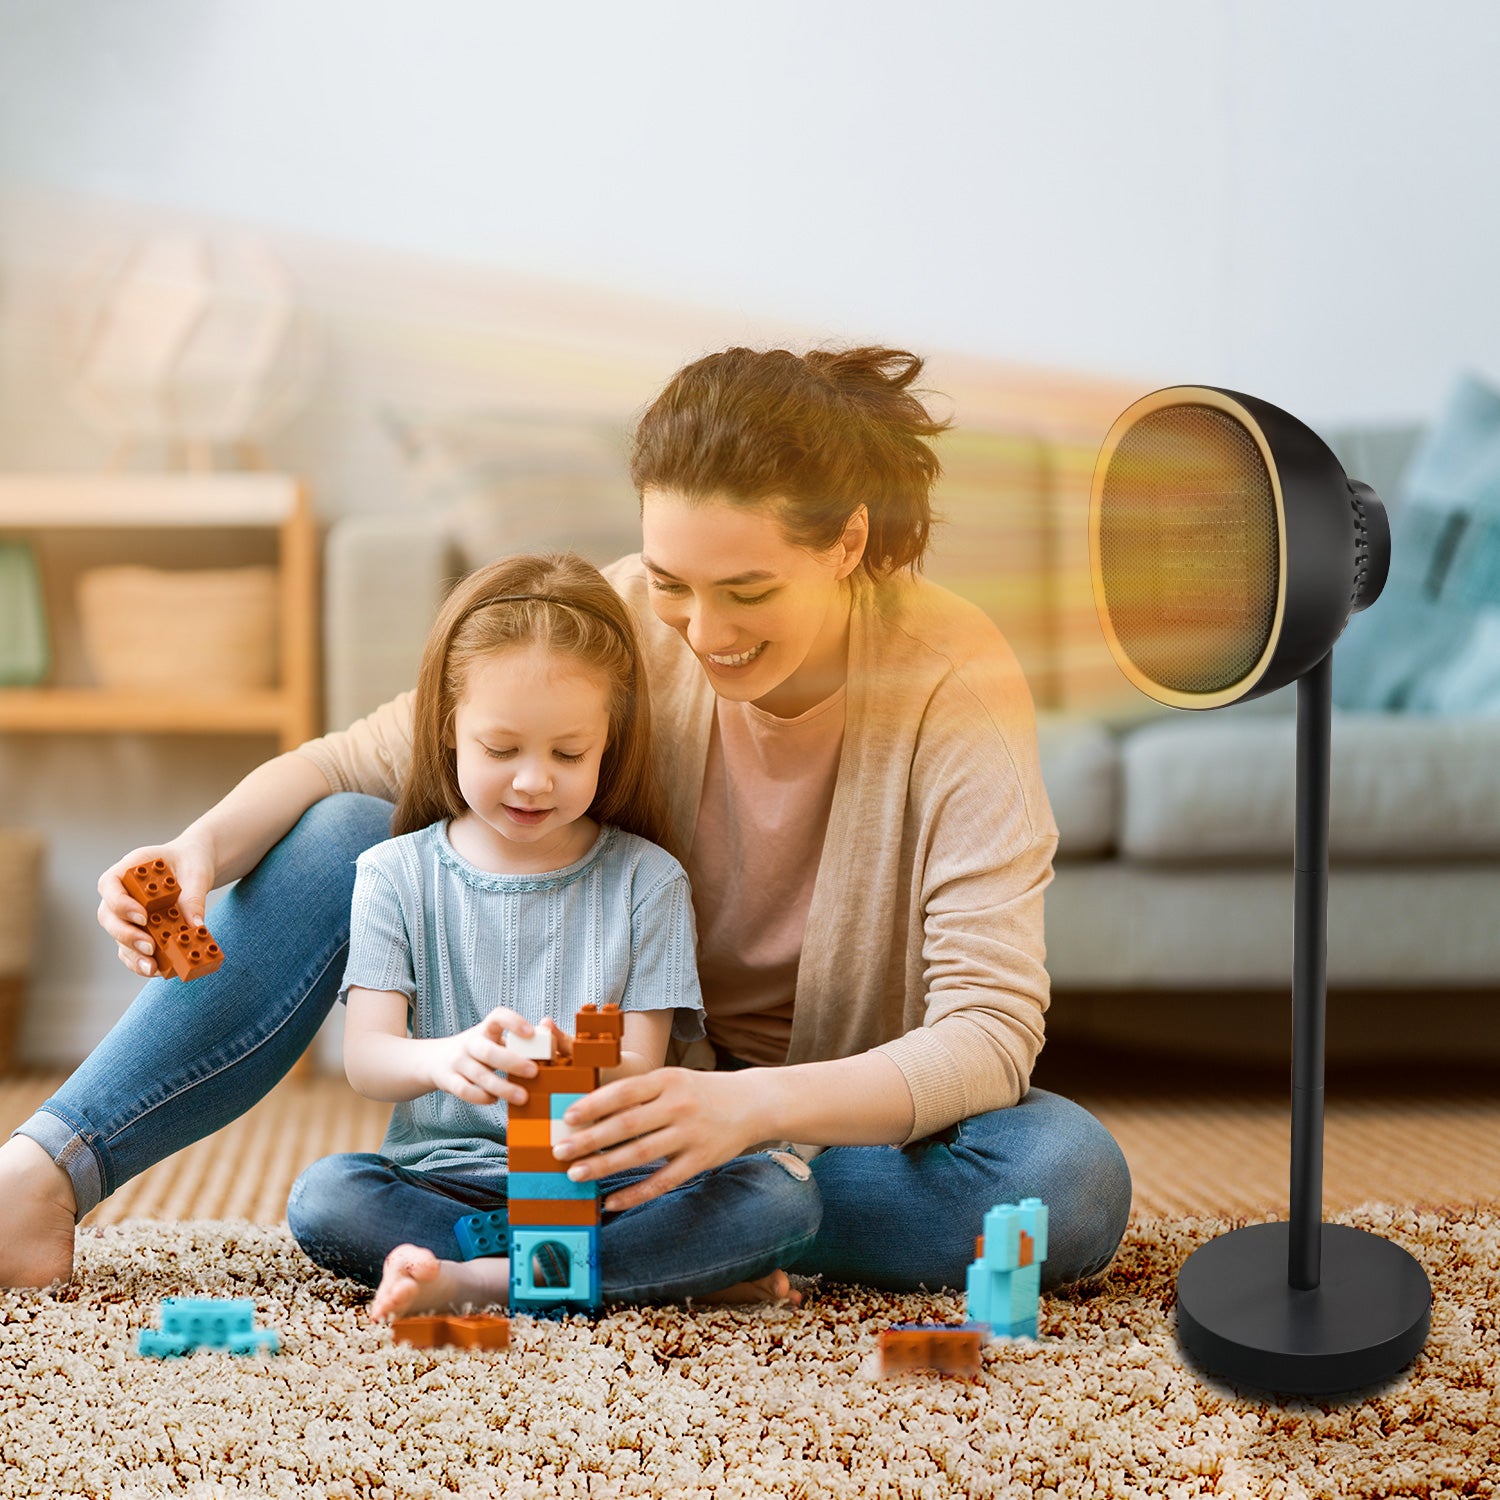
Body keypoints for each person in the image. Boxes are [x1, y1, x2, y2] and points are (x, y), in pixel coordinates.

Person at [1, 343, 1132, 1299]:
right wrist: (198, 850)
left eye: (746, 590)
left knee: (1067, 1179)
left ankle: (682, 1227)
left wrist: (743, 1111)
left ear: (846, 542)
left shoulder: (956, 684)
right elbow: (352, 760)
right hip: (606, 1123)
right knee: (344, 829)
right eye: (676, 580)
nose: (701, 628)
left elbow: (988, 1033)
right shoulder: (632, 615)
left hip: (818, 1113)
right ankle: (45, 1172)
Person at [285, 552, 814, 1318]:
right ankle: (635, 1274)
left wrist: (563, 1071)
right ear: (447, 728)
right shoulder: (394, 873)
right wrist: (450, 1056)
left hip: (604, 1180)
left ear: (609, 741)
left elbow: (640, 1062)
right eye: (502, 750)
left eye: (568, 754)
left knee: (779, 1198)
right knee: (326, 1196)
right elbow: (368, 1059)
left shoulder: (648, 880)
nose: (534, 780)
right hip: (449, 1176)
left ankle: (484, 1280)